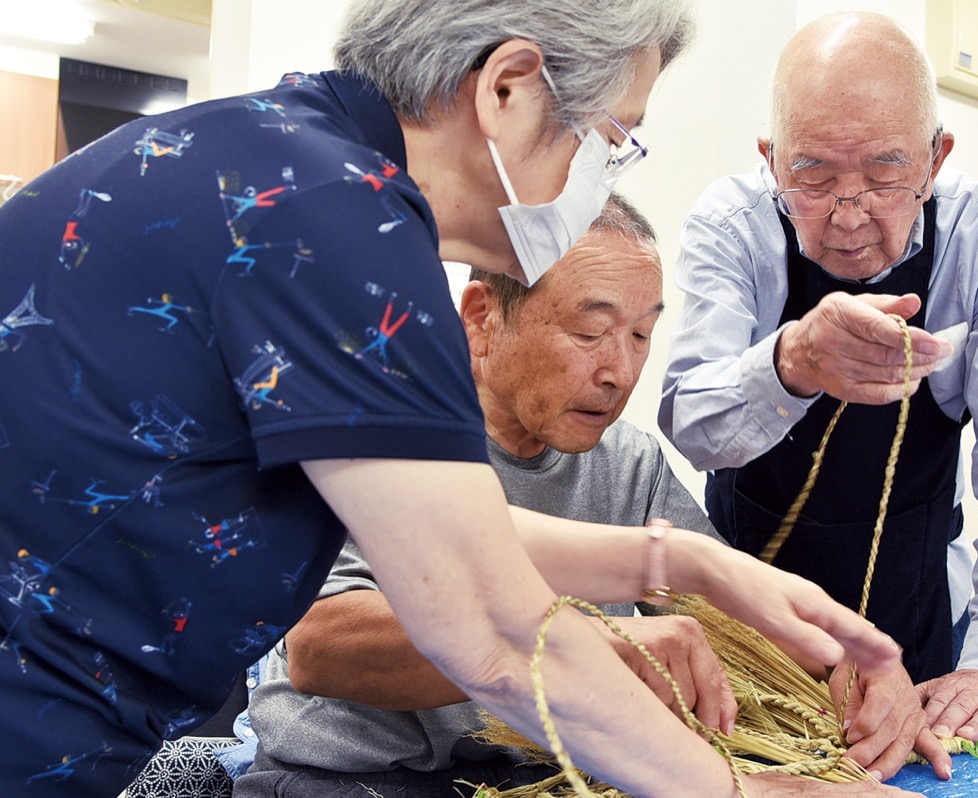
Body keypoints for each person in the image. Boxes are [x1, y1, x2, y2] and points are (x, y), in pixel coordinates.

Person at [0, 2, 912, 797]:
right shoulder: (336, 219)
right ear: (508, 89)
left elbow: (457, 536)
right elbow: (493, 629)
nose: (611, 171)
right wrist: (736, 790)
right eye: (612, 138)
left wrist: (692, 564)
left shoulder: (279, 162)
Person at [659, 10, 978, 766]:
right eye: (813, 174)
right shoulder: (734, 226)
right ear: (772, 159)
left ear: (935, 157)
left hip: (912, 622)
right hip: (750, 640)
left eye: (885, 172)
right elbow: (690, 421)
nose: (850, 215)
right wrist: (789, 364)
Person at [236, 195, 737, 796]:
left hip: (546, 781)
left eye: (640, 335)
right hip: (358, 782)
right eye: (591, 332)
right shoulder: (378, 434)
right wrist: (584, 643)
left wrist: (848, 664)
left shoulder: (630, 463)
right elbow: (323, 646)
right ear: (482, 319)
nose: (622, 372)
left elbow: (728, 613)